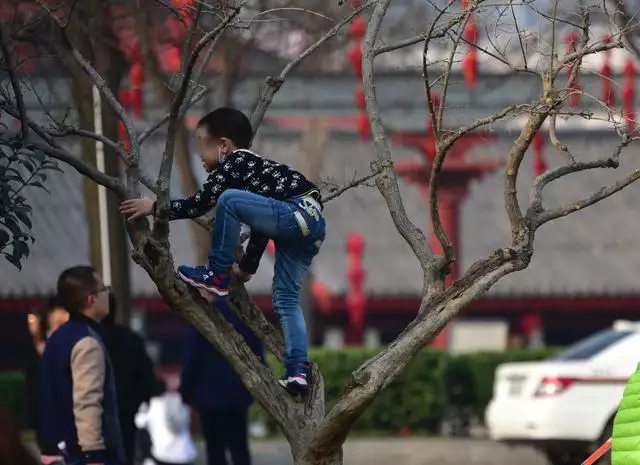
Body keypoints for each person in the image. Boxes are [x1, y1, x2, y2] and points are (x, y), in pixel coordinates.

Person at [120, 107, 326, 396]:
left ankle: (216, 273)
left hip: (294, 212)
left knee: (227, 200)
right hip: (311, 225)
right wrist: (247, 268)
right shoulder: (259, 174)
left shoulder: (236, 162)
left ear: (224, 146)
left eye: (202, 146)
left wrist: (154, 207)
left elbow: (199, 203)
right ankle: (297, 371)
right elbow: (263, 229)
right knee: (286, 299)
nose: (200, 156)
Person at [38, 266, 125, 465]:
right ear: (91, 299)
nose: (108, 294)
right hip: (83, 455)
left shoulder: (57, 338)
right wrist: (93, 454)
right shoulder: (87, 342)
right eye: (104, 289)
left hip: (56, 450)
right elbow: (87, 403)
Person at [180, 295, 264, 465]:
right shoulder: (244, 318)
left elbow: (191, 359)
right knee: (239, 447)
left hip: (209, 396)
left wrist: (186, 392)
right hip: (239, 393)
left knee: (215, 449)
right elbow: (259, 356)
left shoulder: (201, 318)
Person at [102, 293, 163, 465]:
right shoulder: (131, 340)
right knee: (125, 454)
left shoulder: (87, 339)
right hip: (127, 410)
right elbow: (146, 376)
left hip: (96, 413)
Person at [134, 390, 198, 465]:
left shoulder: (153, 404)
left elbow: (139, 422)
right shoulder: (182, 404)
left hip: (163, 457)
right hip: (187, 456)